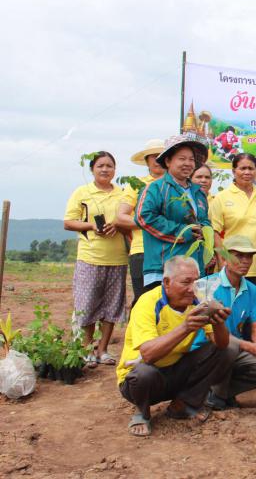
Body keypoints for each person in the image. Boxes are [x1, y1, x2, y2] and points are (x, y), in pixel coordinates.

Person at [117, 256, 236, 437]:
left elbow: (222, 344)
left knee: (226, 350)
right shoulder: (148, 302)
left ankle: (183, 403)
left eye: (196, 282)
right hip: (140, 378)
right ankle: (142, 412)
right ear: (167, 282)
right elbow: (148, 355)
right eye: (186, 282)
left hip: (174, 372)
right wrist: (185, 328)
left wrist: (219, 323)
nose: (192, 289)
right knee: (144, 373)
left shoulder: (198, 302)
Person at [199, 236, 256, 410]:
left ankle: (218, 393)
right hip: (206, 349)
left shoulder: (252, 289)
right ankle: (216, 395)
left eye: (249, 256)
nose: (245, 261)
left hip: (234, 349)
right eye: (239, 256)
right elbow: (211, 336)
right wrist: (251, 347)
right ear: (225, 258)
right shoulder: (206, 286)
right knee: (228, 347)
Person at [64, 151, 129, 367]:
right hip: (89, 257)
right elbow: (68, 222)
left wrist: (117, 226)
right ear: (92, 169)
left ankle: (103, 350)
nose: (105, 169)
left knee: (112, 306)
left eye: (109, 166)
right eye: (100, 165)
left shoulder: (122, 194)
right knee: (87, 304)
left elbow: (128, 221)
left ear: (115, 170)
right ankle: (86, 348)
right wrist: (92, 225)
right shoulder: (82, 192)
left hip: (117, 258)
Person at [135, 135, 212, 290]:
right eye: (182, 158)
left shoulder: (198, 193)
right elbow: (144, 217)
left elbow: (204, 220)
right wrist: (182, 232)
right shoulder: (156, 188)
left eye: (191, 159)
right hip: (162, 268)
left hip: (194, 267)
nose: (187, 163)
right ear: (168, 161)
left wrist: (203, 230)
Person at [208, 153, 256, 331]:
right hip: (232, 266)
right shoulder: (222, 197)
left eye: (251, 168)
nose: (247, 172)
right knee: (230, 318)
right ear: (234, 171)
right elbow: (215, 232)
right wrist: (223, 259)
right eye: (242, 168)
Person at [115, 139, 166, 308]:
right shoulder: (136, 185)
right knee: (143, 301)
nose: (157, 160)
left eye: (161, 156)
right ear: (146, 161)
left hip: (171, 250)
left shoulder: (176, 185)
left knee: (169, 301)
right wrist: (150, 223)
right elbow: (121, 217)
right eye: (153, 157)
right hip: (142, 250)